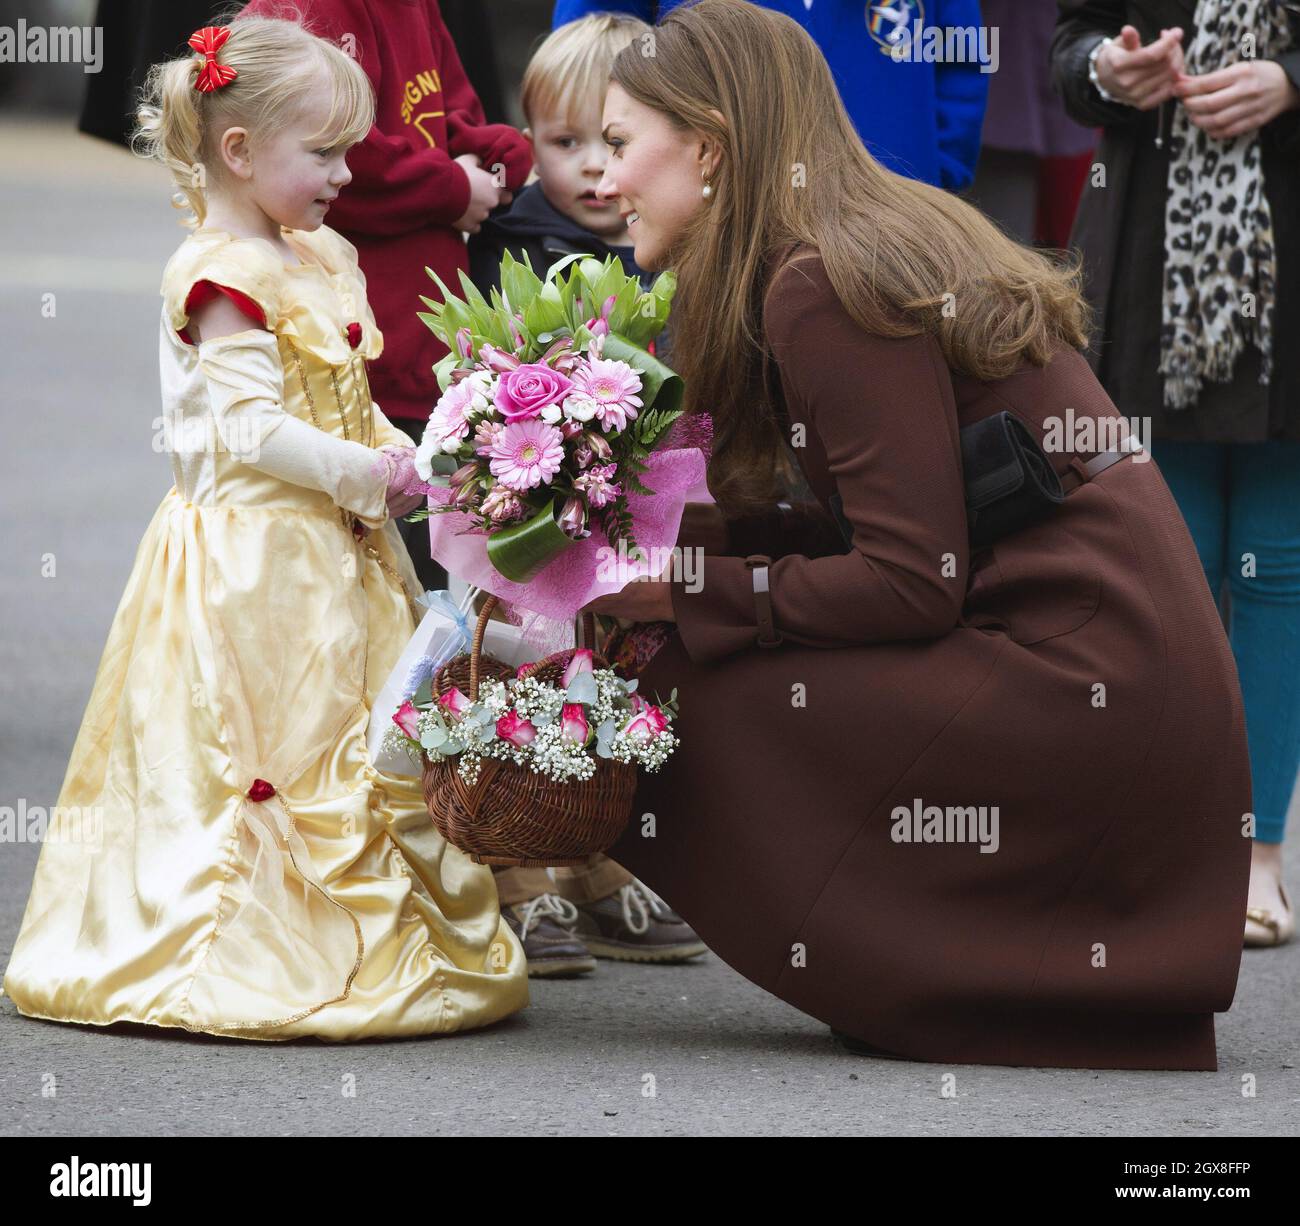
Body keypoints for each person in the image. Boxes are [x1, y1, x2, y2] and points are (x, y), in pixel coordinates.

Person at [579, 0, 1251, 1070]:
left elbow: (906, 582)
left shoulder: (818, 281)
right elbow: (873, 528)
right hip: (1111, 675)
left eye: (618, 143)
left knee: (676, 671)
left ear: (706, 143)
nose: (599, 177)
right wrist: (604, 528)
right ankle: (949, 964)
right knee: (708, 634)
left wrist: (678, 592)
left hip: (1090, 690)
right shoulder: (853, 237)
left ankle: (937, 973)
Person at [1, 14, 529, 1039]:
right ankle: (231, 944)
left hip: (338, 547)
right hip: (252, 558)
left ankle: (379, 930)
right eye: (322, 153)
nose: (344, 175)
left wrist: (401, 454)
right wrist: (368, 473)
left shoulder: (319, 252)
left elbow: (347, 392)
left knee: (356, 741)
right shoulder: (222, 277)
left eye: (345, 151)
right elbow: (247, 431)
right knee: (261, 746)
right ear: (237, 152)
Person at [1051, 1, 1300, 948]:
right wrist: (1107, 75)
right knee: (1171, 563)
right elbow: (1070, 45)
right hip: (1149, 256)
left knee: (1277, 567)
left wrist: (1291, 79)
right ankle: (1168, 844)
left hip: (1287, 254)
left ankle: (1258, 857)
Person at [464, 13, 707, 975]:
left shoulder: (673, 247)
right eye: (565, 146)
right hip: (534, 518)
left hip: (637, 513)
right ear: (529, 147)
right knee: (525, 667)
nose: (595, 173)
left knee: (613, 677)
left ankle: (600, 852)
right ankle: (519, 869)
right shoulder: (521, 242)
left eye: (615, 146)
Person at [239, 0, 535, 597]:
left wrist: (491, 152)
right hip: (356, 369)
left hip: (427, 359)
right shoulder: (306, 9)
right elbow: (349, 158)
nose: (336, 170)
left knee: (421, 589)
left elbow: (454, 111)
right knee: (352, 586)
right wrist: (453, 184)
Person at [551, 0, 989, 191]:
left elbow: (962, 56)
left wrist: (941, 172)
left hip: (897, 227)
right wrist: (617, 172)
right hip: (717, 233)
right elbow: (587, 58)